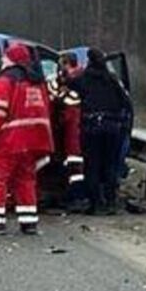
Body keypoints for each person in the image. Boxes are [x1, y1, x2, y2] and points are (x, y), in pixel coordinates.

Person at [0, 41, 53, 234]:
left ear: (11, 59)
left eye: (5, 57)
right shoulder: (38, 82)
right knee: (26, 180)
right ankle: (29, 222)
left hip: (8, 139)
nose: (2, 61)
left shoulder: (5, 81)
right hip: (34, 140)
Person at [73, 48, 135, 215]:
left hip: (92, 128)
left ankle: (95, 203)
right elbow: (125, 102)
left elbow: (69, 91)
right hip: (113, 128)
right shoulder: (112, 80)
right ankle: (110, 201)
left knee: (92, 165)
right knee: (110, 165)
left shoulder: (83, 79)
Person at [54, 52, 86, 206]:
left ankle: (76, 197)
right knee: (74, 164)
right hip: (74, 130)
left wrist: (57, 97)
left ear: (67, 64)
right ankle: (74, 195)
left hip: (74, 131)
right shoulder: (78, 78)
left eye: (62, 65)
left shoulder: (75, 82)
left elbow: (69, 106)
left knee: (75, 165)